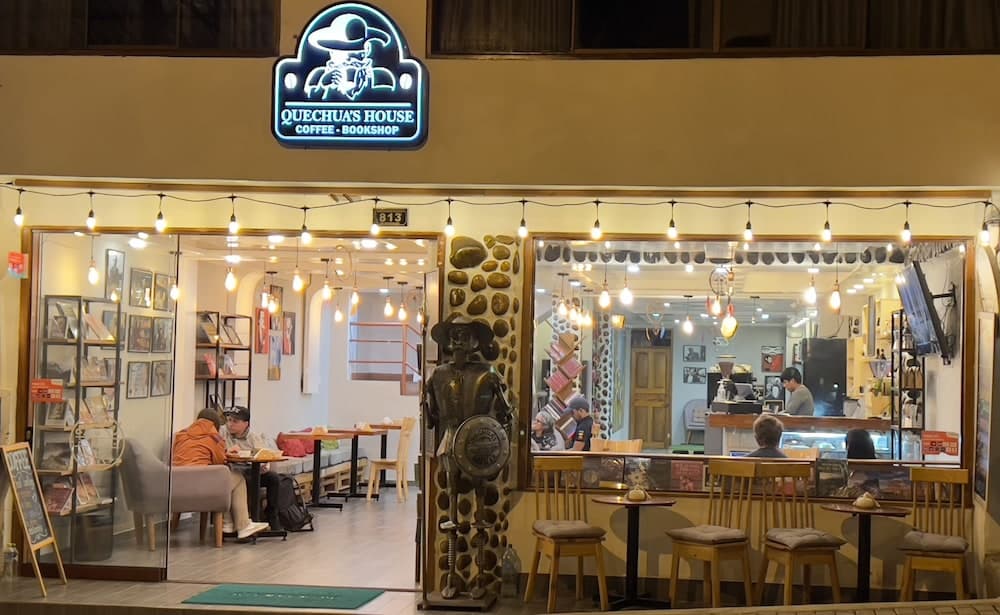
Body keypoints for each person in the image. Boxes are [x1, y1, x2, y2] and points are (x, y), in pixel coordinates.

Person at [172, 408, 269, 540]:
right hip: (202, 487)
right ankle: (242, 525)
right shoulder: (214, 437)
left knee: (229, 481)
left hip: (177, 486)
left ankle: (228, 523)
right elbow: (220, 462)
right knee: (237, 478)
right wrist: (225, 452)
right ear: (215, 424)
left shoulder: (181, 435)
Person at [219, 406, 284, 530]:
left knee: (273, 478)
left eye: (235, 421)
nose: (230, 424)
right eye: (229, 420)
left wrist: (265, 465)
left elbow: (263, 455)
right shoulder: (222, 433)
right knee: (247, 481)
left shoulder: (254, 437)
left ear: (246, 424)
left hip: (251, 470)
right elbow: (217, 452)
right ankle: (252, 519)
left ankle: (272, 516)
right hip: (233, 473)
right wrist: (227, 451)